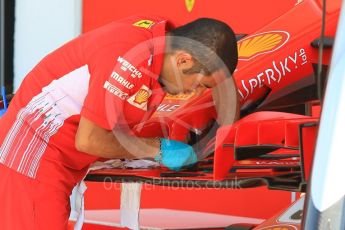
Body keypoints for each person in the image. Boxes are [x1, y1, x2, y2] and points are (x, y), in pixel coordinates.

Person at [0, 15, 238, 229]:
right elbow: (89, 140)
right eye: (200, 85)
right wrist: (158, 149)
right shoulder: (128, 58)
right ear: (184, 61)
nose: (195, 94)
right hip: (32, 156)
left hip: (50, 156)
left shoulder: (156, 45)